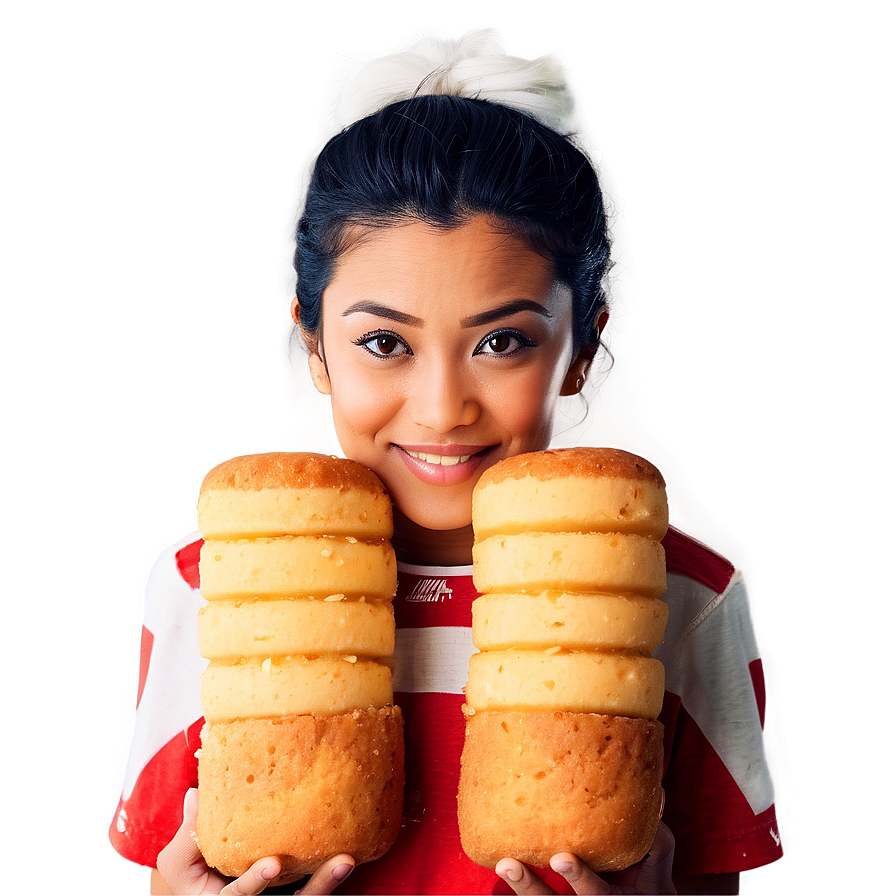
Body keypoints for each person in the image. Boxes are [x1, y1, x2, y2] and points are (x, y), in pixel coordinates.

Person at [109, 29, 782, 896]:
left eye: (502, 341)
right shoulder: (210, 591)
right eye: (383, 341)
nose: (440, 407)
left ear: (581, 351)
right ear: (314, 347)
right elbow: (164, 874)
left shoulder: (684, 598)